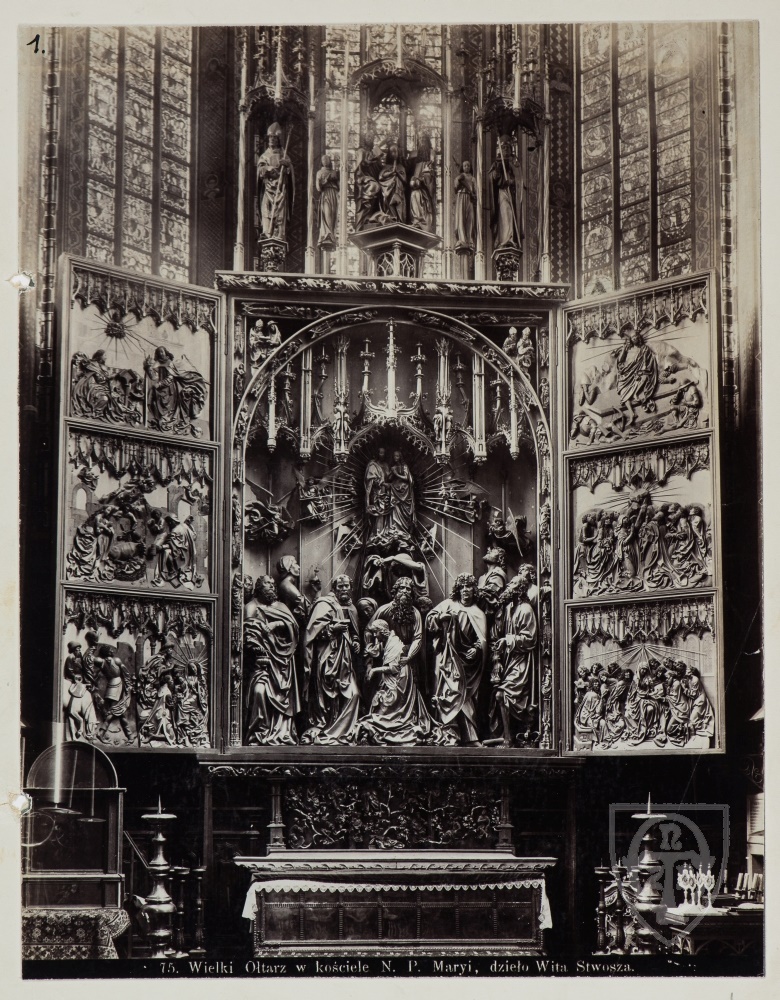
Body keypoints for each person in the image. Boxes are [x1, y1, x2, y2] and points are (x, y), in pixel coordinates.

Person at [427, 573, 488, 745]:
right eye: (462, 587)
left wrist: (476, 649)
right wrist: (440, 618)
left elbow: (482, 639)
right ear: (458, 590)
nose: (465, 590)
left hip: (467, 663)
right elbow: (429, 619)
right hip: (447, 659)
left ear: (474, 590)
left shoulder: (478, 613)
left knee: (466, 697)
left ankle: (470, 737)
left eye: (469, 587)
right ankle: (448, 735)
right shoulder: (448, 604)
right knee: (447, 694)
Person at [302, 575, 362, 744]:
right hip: (327, 657)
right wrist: (332, 629)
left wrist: (356, 642)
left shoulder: (352, 608)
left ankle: (342, 731)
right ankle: (327, 728)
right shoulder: (324, 604)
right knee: (329, 696)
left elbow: (354, 633)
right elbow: (311, 634)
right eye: (340, 586)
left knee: (354, 694)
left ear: (351, 588)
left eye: (346, 586)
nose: (344, 589)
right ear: (334, 589)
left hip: (345, 661)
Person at [357, 620, 435, 745]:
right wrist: (369, 651)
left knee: (384, 702)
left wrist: (374, 670)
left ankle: (384, 729)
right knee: (379, 702)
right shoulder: (387, 641)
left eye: (376, 632)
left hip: (400, 681)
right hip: (394, 680)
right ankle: (377, 728)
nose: (375, 636)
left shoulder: (394, 644)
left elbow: (393, 668)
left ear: (383, 631)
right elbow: (376, 651)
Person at [244, 576, 300, 745]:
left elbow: (294, 627)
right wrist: (258, 643)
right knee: (259, 692)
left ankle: (283, 734)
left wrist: (277, 624)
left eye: (273, 584)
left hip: (283, 662)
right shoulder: (251, 606)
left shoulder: (281, 606)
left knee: (284, 697)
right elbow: (248, 631)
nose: (272, 587)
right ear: (259, 588)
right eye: (268, 584)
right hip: (262, 662)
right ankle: (260, 733)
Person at [489, 565, 538, 746]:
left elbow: (530, 639)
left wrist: (508, 640)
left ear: (520, 589)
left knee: (502, 695)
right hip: (510, 660)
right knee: (500, 696)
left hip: (521, 661)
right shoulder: (510, 608)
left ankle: (510, 739)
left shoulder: (525, 609)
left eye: (512, 585)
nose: (508, 587)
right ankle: (508, 736)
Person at [144, 346, 207, 436]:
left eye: (162, 351)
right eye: (159, 352)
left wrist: (160, 384)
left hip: (169, 388)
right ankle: (161, 419)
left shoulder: (169, 363)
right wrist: (148, 367)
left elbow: (170, 377)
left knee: (166, 403)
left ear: (165, 352)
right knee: (154, 395)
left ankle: (167, 420)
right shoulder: (157, 363)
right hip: (161, 387)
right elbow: (154, 377)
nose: (161, 353)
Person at [256, 122, 294, 241]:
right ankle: (267, 232)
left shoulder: (284, 155)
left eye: (274, 138)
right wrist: (267, 169)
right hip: (268, 188)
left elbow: (290, 172)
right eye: (270, 137)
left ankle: (279, 234)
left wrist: (286, 165)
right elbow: (260, 170)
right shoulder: (264, 156)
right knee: (266, 209)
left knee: (280, 211)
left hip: (280, 189)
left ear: (278, 140)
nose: (272, 139)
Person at [489, 135, 523, 250]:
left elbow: (519, 179)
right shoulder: (497, 163)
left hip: (511, 193)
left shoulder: (515, 163)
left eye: (508, 148)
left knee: (511, 214)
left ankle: (511, 239)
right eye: (503, 148)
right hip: (502, 192)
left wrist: (512, 181)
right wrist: (498, 170)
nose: (506, 150)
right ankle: (504, 239)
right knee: (505, 213)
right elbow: (492, 178)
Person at [409, 134, 435, 233]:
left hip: (425, 189)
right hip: (415, 186)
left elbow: (429, 176)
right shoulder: (415, 157)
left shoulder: (430, 154)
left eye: (424, 138)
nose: (422, 141)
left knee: (423, 201)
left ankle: (423, 224)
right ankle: (416, 221)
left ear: (428, 141)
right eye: (420, 139)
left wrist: (423, 178)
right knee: (414, 194)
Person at [387, 449, 416, 537]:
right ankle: (395, 529)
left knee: (405, 511)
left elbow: (406, 478)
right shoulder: (393, 467)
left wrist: (396, 474)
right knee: (395, 508)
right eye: (394, 456)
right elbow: (389, 479)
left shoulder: (405, 466)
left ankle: (404, 531)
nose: (395, 457)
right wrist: (391, 473)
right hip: (395, 490)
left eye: (397, 456)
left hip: (404, 491)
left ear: (400, 457)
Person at [316, 154, 340, 249]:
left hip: (333, 194)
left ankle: (332, 235)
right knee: (327, 213)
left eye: (327, 159)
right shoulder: (319, 172)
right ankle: (326, 234)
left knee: (333, 214)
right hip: (325, 194)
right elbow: (318, 188)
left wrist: (338, 178)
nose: (325, 161)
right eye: (323, 159)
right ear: (321, 162)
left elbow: (339, 186)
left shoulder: (334, 172)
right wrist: (325, 181)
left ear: (330, 161)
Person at [454, 161, 477, 249]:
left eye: (468, 165)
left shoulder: (473, 178)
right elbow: (455, 186)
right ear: (462, 167)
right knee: (461, 218)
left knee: (470, 218)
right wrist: (458, 180)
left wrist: (474, 194)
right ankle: (462, 239)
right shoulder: (460, 176)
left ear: (470, 167)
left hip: (469, 199)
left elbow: (475, 190)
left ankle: (469, 239)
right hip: (461, 197)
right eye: (464, 166)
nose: (466, 167)